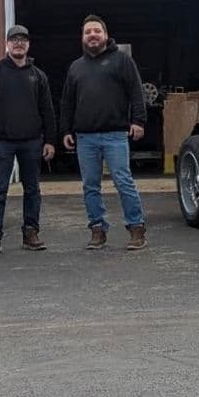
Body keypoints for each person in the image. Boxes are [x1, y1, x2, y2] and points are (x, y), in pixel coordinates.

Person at [60, 14, 148, 251]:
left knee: (123, 181)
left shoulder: (122, 61)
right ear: (82, 37)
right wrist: (66, 129)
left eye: (96, 31)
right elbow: (67, 102)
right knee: (90, 185)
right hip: (85, 138)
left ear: (106, 35)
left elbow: (136, 91)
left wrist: (138, 120)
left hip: (115, 135)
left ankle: (136, 228)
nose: (92, 35)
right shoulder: (76, 67)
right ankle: (97, 230)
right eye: (87, 32)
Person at [0, 24, 56, 256]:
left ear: (28, 45)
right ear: (7, 44)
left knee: (32, 189)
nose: (18, 43)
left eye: (23, 39)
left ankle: (31, 233)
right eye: (14, 39)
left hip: (32, 142)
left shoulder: (38, 76)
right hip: (1, 143)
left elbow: (48, 110)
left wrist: (50, 141)